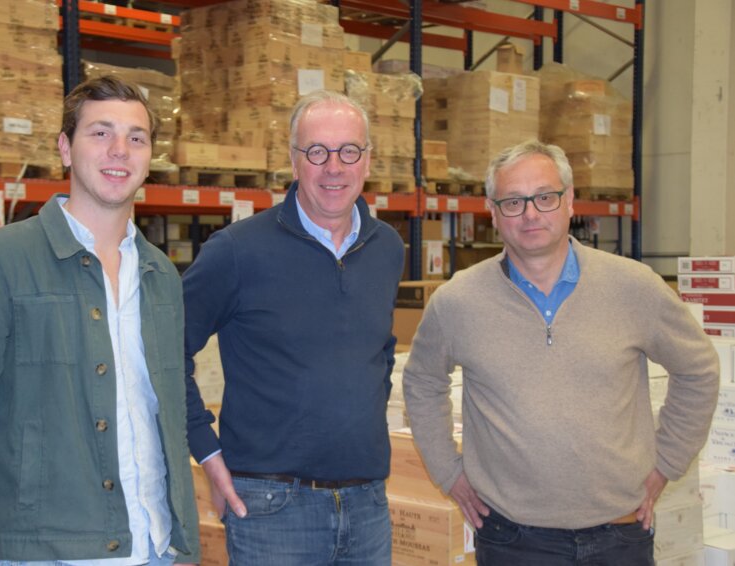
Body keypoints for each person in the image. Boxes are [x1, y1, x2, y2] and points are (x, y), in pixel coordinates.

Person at [0, 76, 200, 566]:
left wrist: (183, 545)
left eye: (136, 138)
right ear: (65, 149)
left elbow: (168, 422)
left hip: (156, 547)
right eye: (100, 133)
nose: (120, 150)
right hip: (45, 554)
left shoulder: (161, 275)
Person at [403, 139, 720, 565]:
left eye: (545, 197)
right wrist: (448, 472)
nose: (531, 213)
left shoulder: (633, 287)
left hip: (620, 535)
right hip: (512, 540)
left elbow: (698, 369)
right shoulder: (458, 301)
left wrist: (666, 463)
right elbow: (422, 381)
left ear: (569, 202)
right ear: (493, 212)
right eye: (513, 201)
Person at [182, 90, 405, 565]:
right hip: (271, 510)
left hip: (367, 506)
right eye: (316, 152)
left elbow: (379, 352)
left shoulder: (386, 247)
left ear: (367, 160)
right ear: (294, 159)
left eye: (349, 151)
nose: (334, 167)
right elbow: (162, 351)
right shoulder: (237, 251)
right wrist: (206, 450)